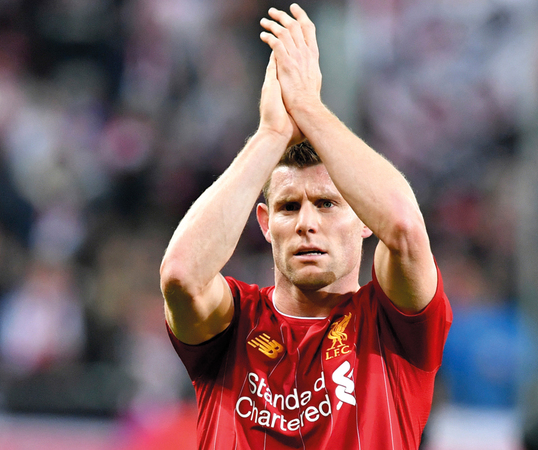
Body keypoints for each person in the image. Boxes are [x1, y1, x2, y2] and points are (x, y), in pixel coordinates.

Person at [160, 4, 452, 449]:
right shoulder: (233, 323)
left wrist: (308, 108)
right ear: (265, 223)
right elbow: (180, 274)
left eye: (327, 204)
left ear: (364, 219)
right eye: (289, 207)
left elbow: (405, 229)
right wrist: (270, 135)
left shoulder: (392, 325)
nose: (306, 224)